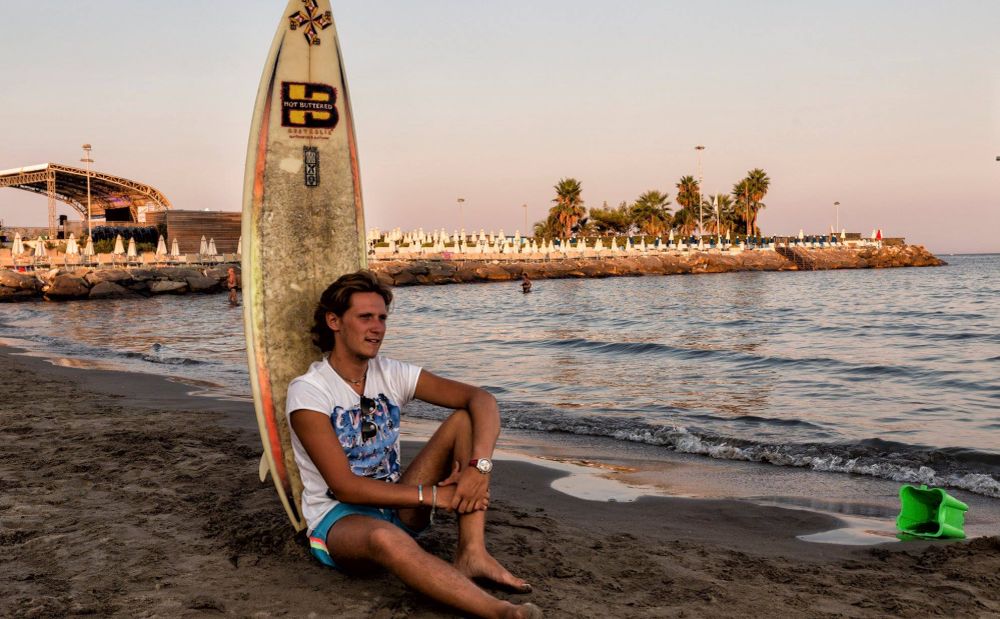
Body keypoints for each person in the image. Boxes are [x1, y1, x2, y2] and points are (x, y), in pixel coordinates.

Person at [286, 271, 542, 619]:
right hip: (341, 520)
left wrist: (479, 469)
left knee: (465, 418)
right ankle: (500, 612)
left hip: (399, 505)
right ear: (334, 321)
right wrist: (436, 496)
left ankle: (472, 552)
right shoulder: (309, 391)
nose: (377, 328)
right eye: (365, 317)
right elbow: (345, 487)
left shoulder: (391, 373)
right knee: (385, 539)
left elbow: (482, 399)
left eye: (382, 318)